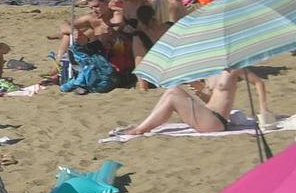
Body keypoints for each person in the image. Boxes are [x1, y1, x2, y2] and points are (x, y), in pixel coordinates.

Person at [116, 67, 271, 137]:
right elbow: (211, 100)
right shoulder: (211, 71)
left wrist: (263, 110)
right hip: (208, 115)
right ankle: (143, 126)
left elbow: (259, 83)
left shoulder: (235, 68)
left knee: (172, 96)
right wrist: (200, 90)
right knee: (173, 89)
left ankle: (140, 129)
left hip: (217, 122)